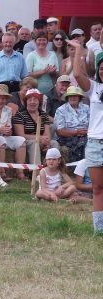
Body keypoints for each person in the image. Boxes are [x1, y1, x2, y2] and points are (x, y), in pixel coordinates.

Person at [70, 41, 103, 232]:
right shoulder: (94, 88)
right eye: (101, 68)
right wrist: (77, 51)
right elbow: (76, 74)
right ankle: (99, 229)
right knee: (97, 187)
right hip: (95, 143)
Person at [0, 84, 27, 180]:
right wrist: (0, 129)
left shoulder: (8, 110)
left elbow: (9, 128)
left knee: (22, 141)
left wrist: (8, 131)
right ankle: (2, 171)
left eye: (3, 98)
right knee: (1, 140)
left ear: (6, 99)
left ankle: (20, 172)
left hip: (5, 137)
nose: (0, 101)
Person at [13, 88, 59, 163]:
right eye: (30, 100)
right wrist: (39, 138)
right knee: (34, 143)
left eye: (35, 100)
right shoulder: (19, 115)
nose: (32, 102)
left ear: (39, 102)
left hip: (41, 141)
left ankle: (53, 167)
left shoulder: (44, 115)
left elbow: (47, 134)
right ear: (26, 102)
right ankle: (36, 168)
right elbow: (21, 135)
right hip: (27, 141)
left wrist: (46, 143)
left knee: (54, 143)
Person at [54, 85, 89, 162]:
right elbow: (60, 131)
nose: (72, 97)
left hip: (86, 135)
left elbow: (92, 124)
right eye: (70, 96)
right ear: (67, 97)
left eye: (75, 95)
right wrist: (76, 132)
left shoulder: (86, 108)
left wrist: (87, 132)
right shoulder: (61, 110)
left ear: (79, 97)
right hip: (67, 138)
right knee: (82, 143)